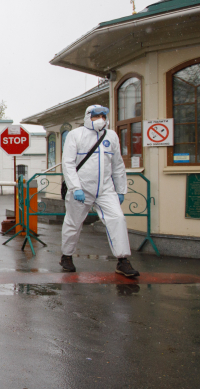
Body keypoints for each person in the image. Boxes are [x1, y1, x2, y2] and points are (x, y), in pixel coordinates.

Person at [60, 105, 140, 277]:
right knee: (73, 223)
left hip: (105, 189)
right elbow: (68, 163)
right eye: (97, 116)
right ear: (88, 116)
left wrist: (120, 190)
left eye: (103, 115)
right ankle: (66, 256)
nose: (101, 119)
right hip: (81, 188)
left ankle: (123, 260)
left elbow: (117, 164)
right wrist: (75, 187)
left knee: (117, 219)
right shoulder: (75, 135)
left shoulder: (111, 136)